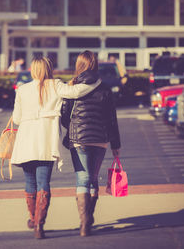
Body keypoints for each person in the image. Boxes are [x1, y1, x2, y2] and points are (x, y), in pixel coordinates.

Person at [10, 56, 98, 239]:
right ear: (49, 69)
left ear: (33, 70)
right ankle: (39, 227)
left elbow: (17, 119)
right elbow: (77, 92)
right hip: (45, 142)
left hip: (26, 141)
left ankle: (33, 219)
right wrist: (95, 83)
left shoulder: (23, 90)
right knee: (43, 183)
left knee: (30, 182)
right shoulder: (56, 85)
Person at [61, 50, 121, 237]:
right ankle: (89, 217)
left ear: (79, 66)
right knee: (93, 178)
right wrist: (115, 144)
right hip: (100, 139)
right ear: (95, 66)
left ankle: (84, 223)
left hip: (79, 139)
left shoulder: (72, 88)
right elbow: (112, 118)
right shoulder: (105, 88)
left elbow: (64, 116)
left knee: (82, 179)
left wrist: (73, 127)